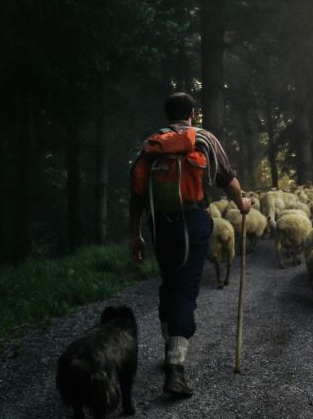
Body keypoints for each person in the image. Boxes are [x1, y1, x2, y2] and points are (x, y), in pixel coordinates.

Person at [129, 92, 250, 398]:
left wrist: (136, 233)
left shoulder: (153, 142)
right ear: (193, 113)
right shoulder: (205, 139)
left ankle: (169, 345)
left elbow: (138, 192)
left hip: (160, 224)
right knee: (185, 289)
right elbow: (228, 178)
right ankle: (175, 368)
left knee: (169, 282)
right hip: (193, 221)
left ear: (168, 114)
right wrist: (242, 203)